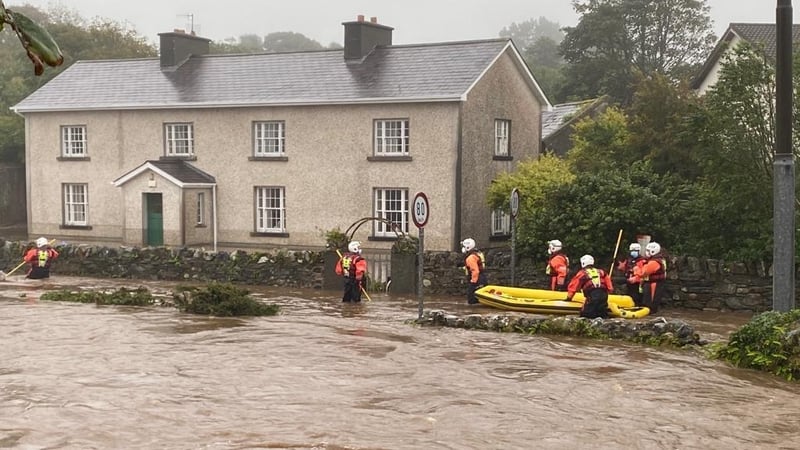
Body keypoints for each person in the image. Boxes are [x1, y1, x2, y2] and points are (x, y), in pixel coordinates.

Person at [566, 254, 613, 319]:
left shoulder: (582, 273)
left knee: (586, 315)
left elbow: (573, 286)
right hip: (604, 296)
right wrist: (610, 291)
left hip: (592, 296)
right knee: (602, 313)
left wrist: (569, 297)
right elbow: (609, 285)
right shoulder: (601, 272)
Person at [629, 242, 667, 314]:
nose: (646, 252)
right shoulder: (656, 260)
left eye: (648, 250)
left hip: (654, 284)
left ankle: (651, 312)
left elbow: (643, 273)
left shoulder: (654, 262)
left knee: (651, 301)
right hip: (650, 283)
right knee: (647, 300)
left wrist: (636, 269)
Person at [461, 238, 487, 305]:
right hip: (482, 278)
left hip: (477, 280)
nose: (463, 248)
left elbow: (475, 271)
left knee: (471, 300)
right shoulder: (477, 254)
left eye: (464, 246)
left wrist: (473, 282)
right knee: (480, 300)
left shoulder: (470, 258)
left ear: (467, 247)